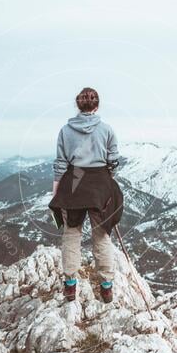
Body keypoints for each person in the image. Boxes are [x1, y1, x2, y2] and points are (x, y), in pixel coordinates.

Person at [49, 87, 124, 303]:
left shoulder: (65, 130)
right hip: (100, 181)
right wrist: (106, 180)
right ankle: (106, 287)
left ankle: (70, 286)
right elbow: (114, 160)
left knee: (71, 234)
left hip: (74, 180)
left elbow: (61, 163)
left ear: (78, 105)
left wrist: (57, 191)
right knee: (102, 235)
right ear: (97, 105)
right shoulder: (107, 130)